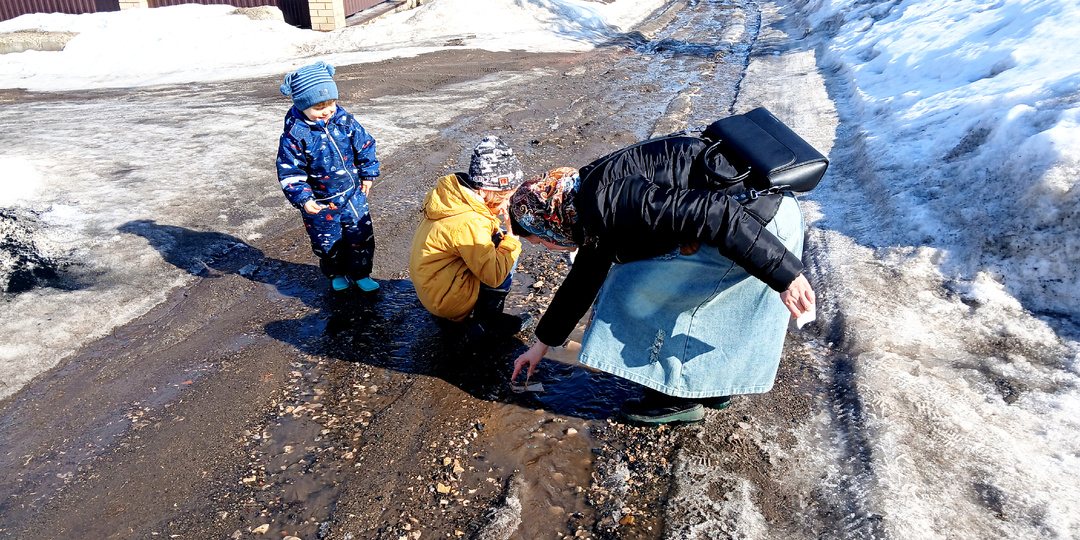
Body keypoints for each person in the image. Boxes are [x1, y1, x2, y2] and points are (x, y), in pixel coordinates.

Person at [508, 139, 815, 425]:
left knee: (632, 287)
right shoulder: (584, 197)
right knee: (694, 293)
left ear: (548, 222)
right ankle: (710, 384)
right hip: (759, 210)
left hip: (760, 225)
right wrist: (542, 345)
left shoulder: (609, 201)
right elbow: (584, 276)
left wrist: (786, 274)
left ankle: (676, 399)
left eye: (540, 240)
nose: (547, 247)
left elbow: (717, 213)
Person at [409, 136, 531, 337]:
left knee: (495, 241)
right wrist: (512, 237)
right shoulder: (471, 222)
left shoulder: (454, 198)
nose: (507, 205)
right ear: (484, 191)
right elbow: (493, 276)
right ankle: (487, 322)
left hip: (434, 289)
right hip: (447, 301)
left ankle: (461, 314)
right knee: (506, 248)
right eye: (505, 198)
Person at [276, 61, 381, 292]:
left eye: (331, 103)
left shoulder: (344, 121)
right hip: (321, 201)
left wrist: (368, 173)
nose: (327, 111)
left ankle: (361, 274)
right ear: (302, 105)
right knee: (327, 241)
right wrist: (304, 199)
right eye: (318, 107)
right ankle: (336, 273)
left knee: (360, 235)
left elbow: (365, 145)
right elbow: (290, 171)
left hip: (353, 195)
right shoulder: (296, 135)